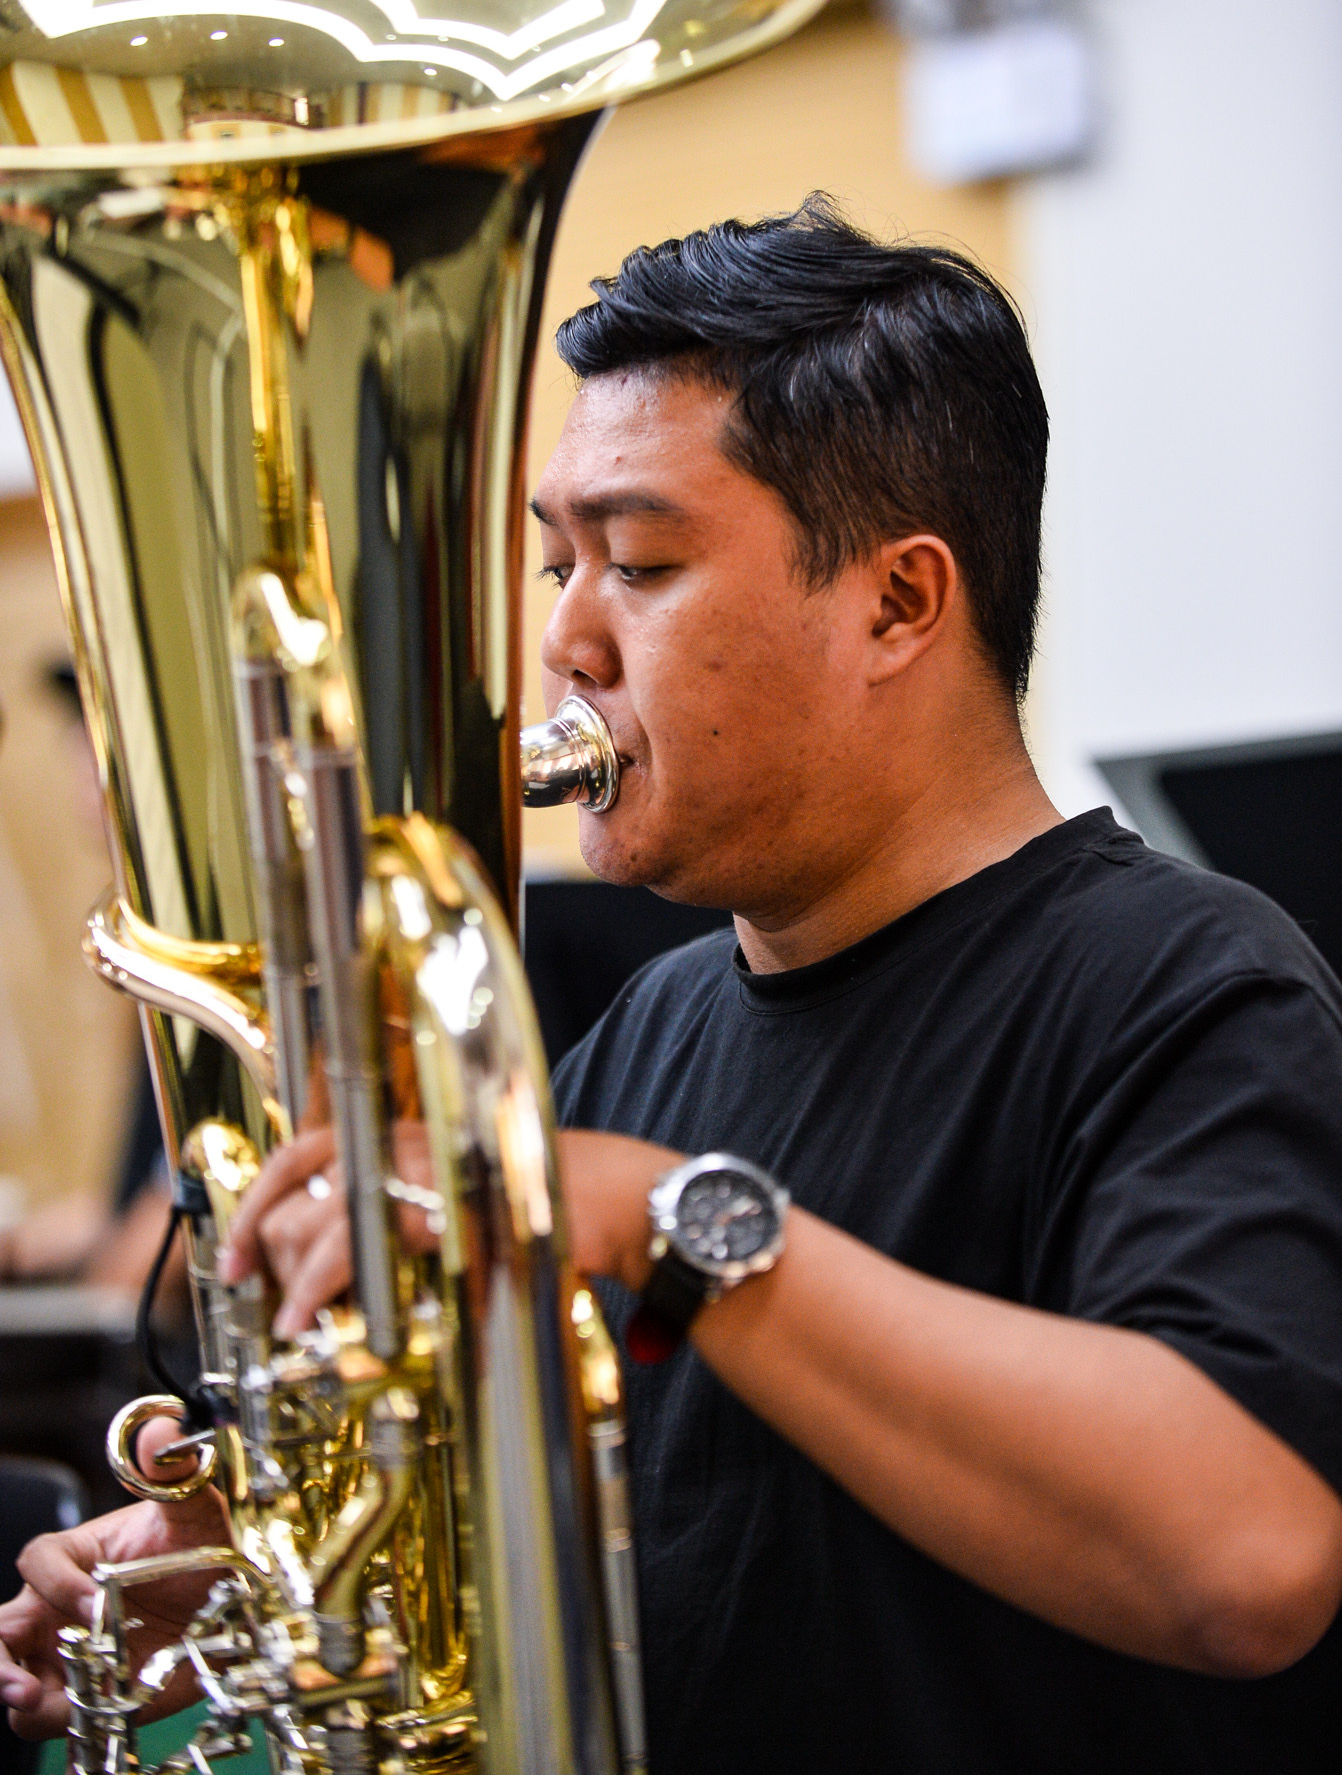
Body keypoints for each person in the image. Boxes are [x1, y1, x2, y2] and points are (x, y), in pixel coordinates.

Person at [4, 198, 1342, 1773]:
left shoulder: (1186, 984)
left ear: (897, 603)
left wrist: (668, 1221)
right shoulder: (654, 1023)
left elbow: (1246, 1556)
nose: (563, 641)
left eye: (637, 563)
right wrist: (255, 1558)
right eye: (556, 563)